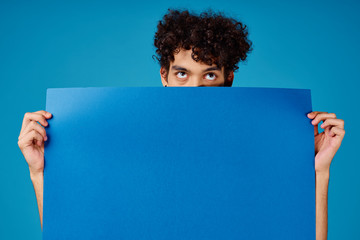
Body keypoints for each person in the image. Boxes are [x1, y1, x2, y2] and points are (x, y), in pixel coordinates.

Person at [17, 9, 345, 240]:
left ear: (228, 79)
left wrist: (319, 171)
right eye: (183, 73)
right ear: (165, 75)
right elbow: (74, 231)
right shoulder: (125, 144)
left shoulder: (257, 151)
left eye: (210, 75)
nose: (195, 89)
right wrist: (39, 172)